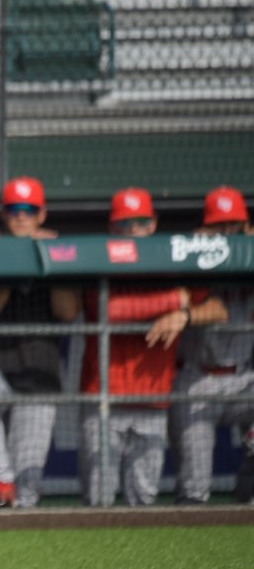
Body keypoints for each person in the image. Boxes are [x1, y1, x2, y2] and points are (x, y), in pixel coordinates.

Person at [79, 188, 223, 506]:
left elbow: (218, 309)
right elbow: (111, 311)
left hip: (153, 400)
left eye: (141, 222)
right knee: (98, 498)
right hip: (105, 399)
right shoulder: (98, 259)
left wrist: (184, 315)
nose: (134, 231)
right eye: (125, 224)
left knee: (143, 499)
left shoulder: (173, 262)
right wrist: (177, 299)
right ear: (111, 228)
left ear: (154, 224)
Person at [0, 177, 80, 507]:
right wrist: (14, 256)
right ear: (4, 215)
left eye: (29, 210)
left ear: (42, 214)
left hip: (39, 373)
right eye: (14, 210)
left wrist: (50, 259)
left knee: (28, 489)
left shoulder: (56, 248)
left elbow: (68, 311)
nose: (21, 216)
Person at [170, 186, 254, 504]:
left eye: (234, 225)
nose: (226, 233)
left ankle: (248, 489)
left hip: (244, 378)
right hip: (196, 381)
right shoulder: (191, 259)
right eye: (218, 226)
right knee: (194, 491)